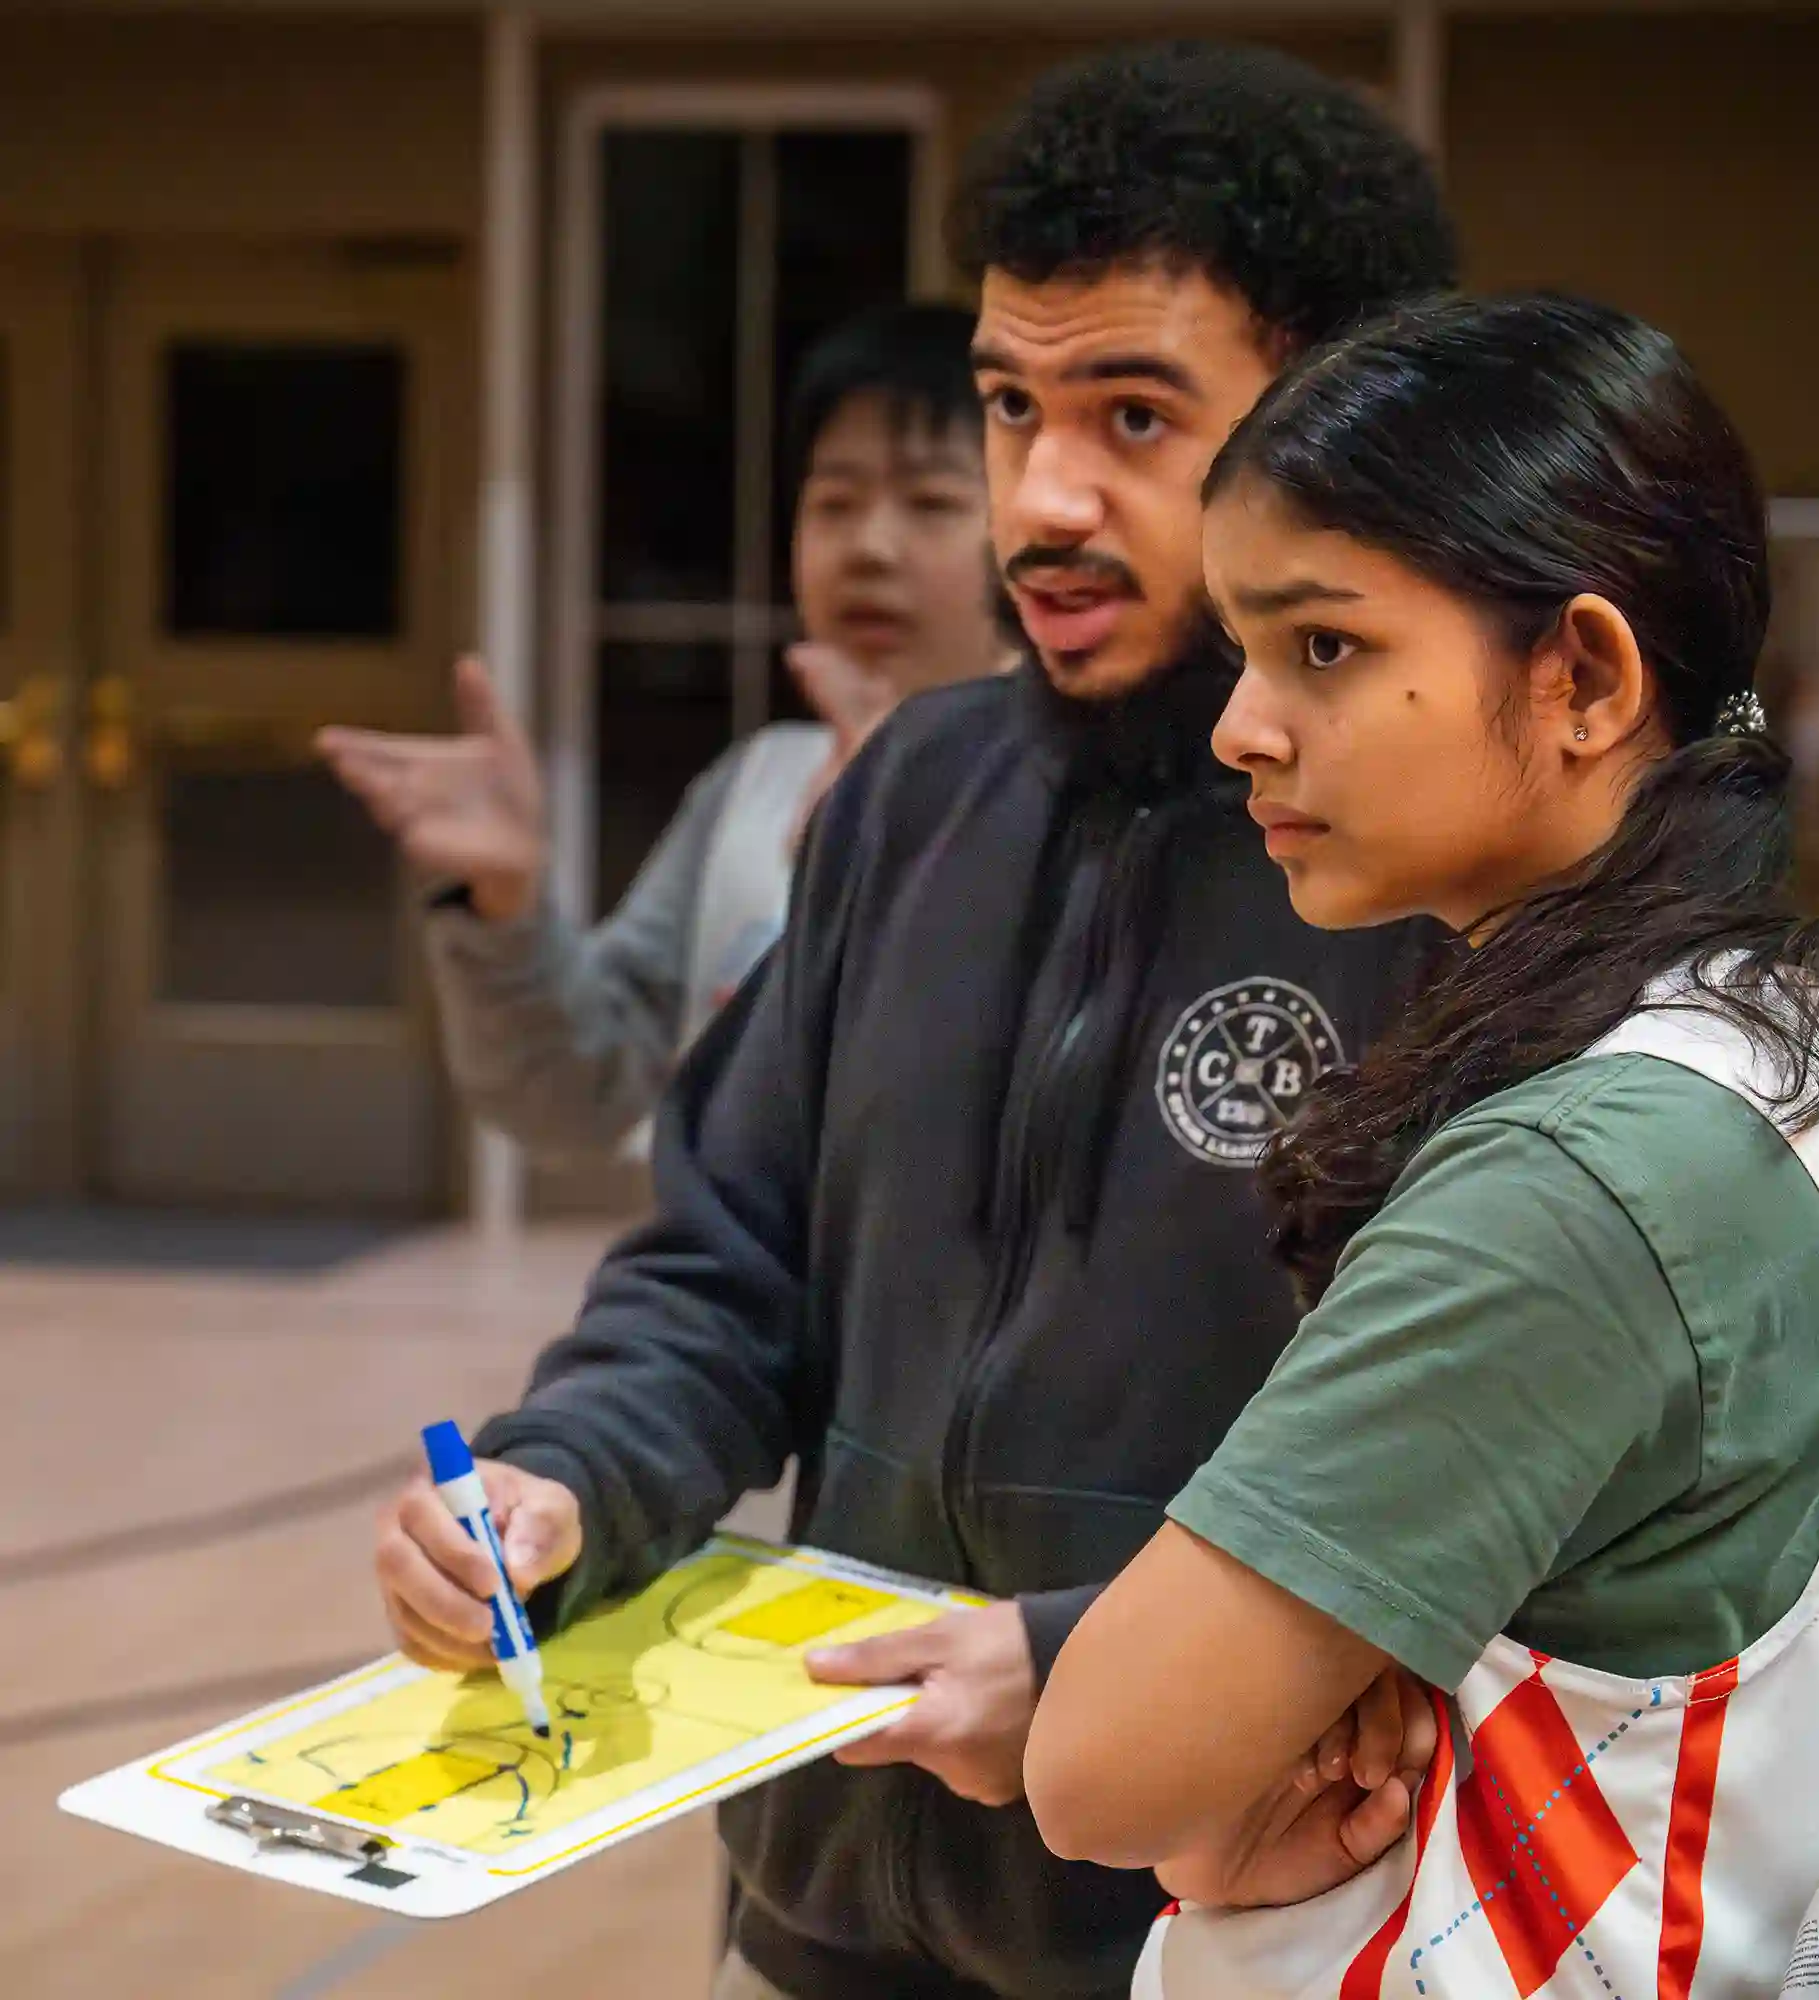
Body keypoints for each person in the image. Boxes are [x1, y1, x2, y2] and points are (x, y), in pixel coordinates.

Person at [370, 43, 1459, 2000]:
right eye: (1008, 408)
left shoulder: (1439, 873)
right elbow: (722, 1274)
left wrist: (1073, 1670)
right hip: (821, 1905)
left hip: (1227, 1933)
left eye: (1134, 416)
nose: (1039, 499)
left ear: (1341, 432)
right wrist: (557, 1480)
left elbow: (1448, 1498)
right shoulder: (908, 797)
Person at [1023, 296, 1819, 1997]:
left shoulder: (1586, 1181)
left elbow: (1101, 1770)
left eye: (1326, 650)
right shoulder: (1752, 1024)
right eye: (1241, 650)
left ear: (1581, 674)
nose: (1241, 728)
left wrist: (1241, 1745)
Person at [320, 302, 1007, 1156]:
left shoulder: (1077, 802)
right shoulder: (754, 786)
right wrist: (506, 909)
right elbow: (582, 1096)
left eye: (932, 502)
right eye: (833, 502)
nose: (868, 546)